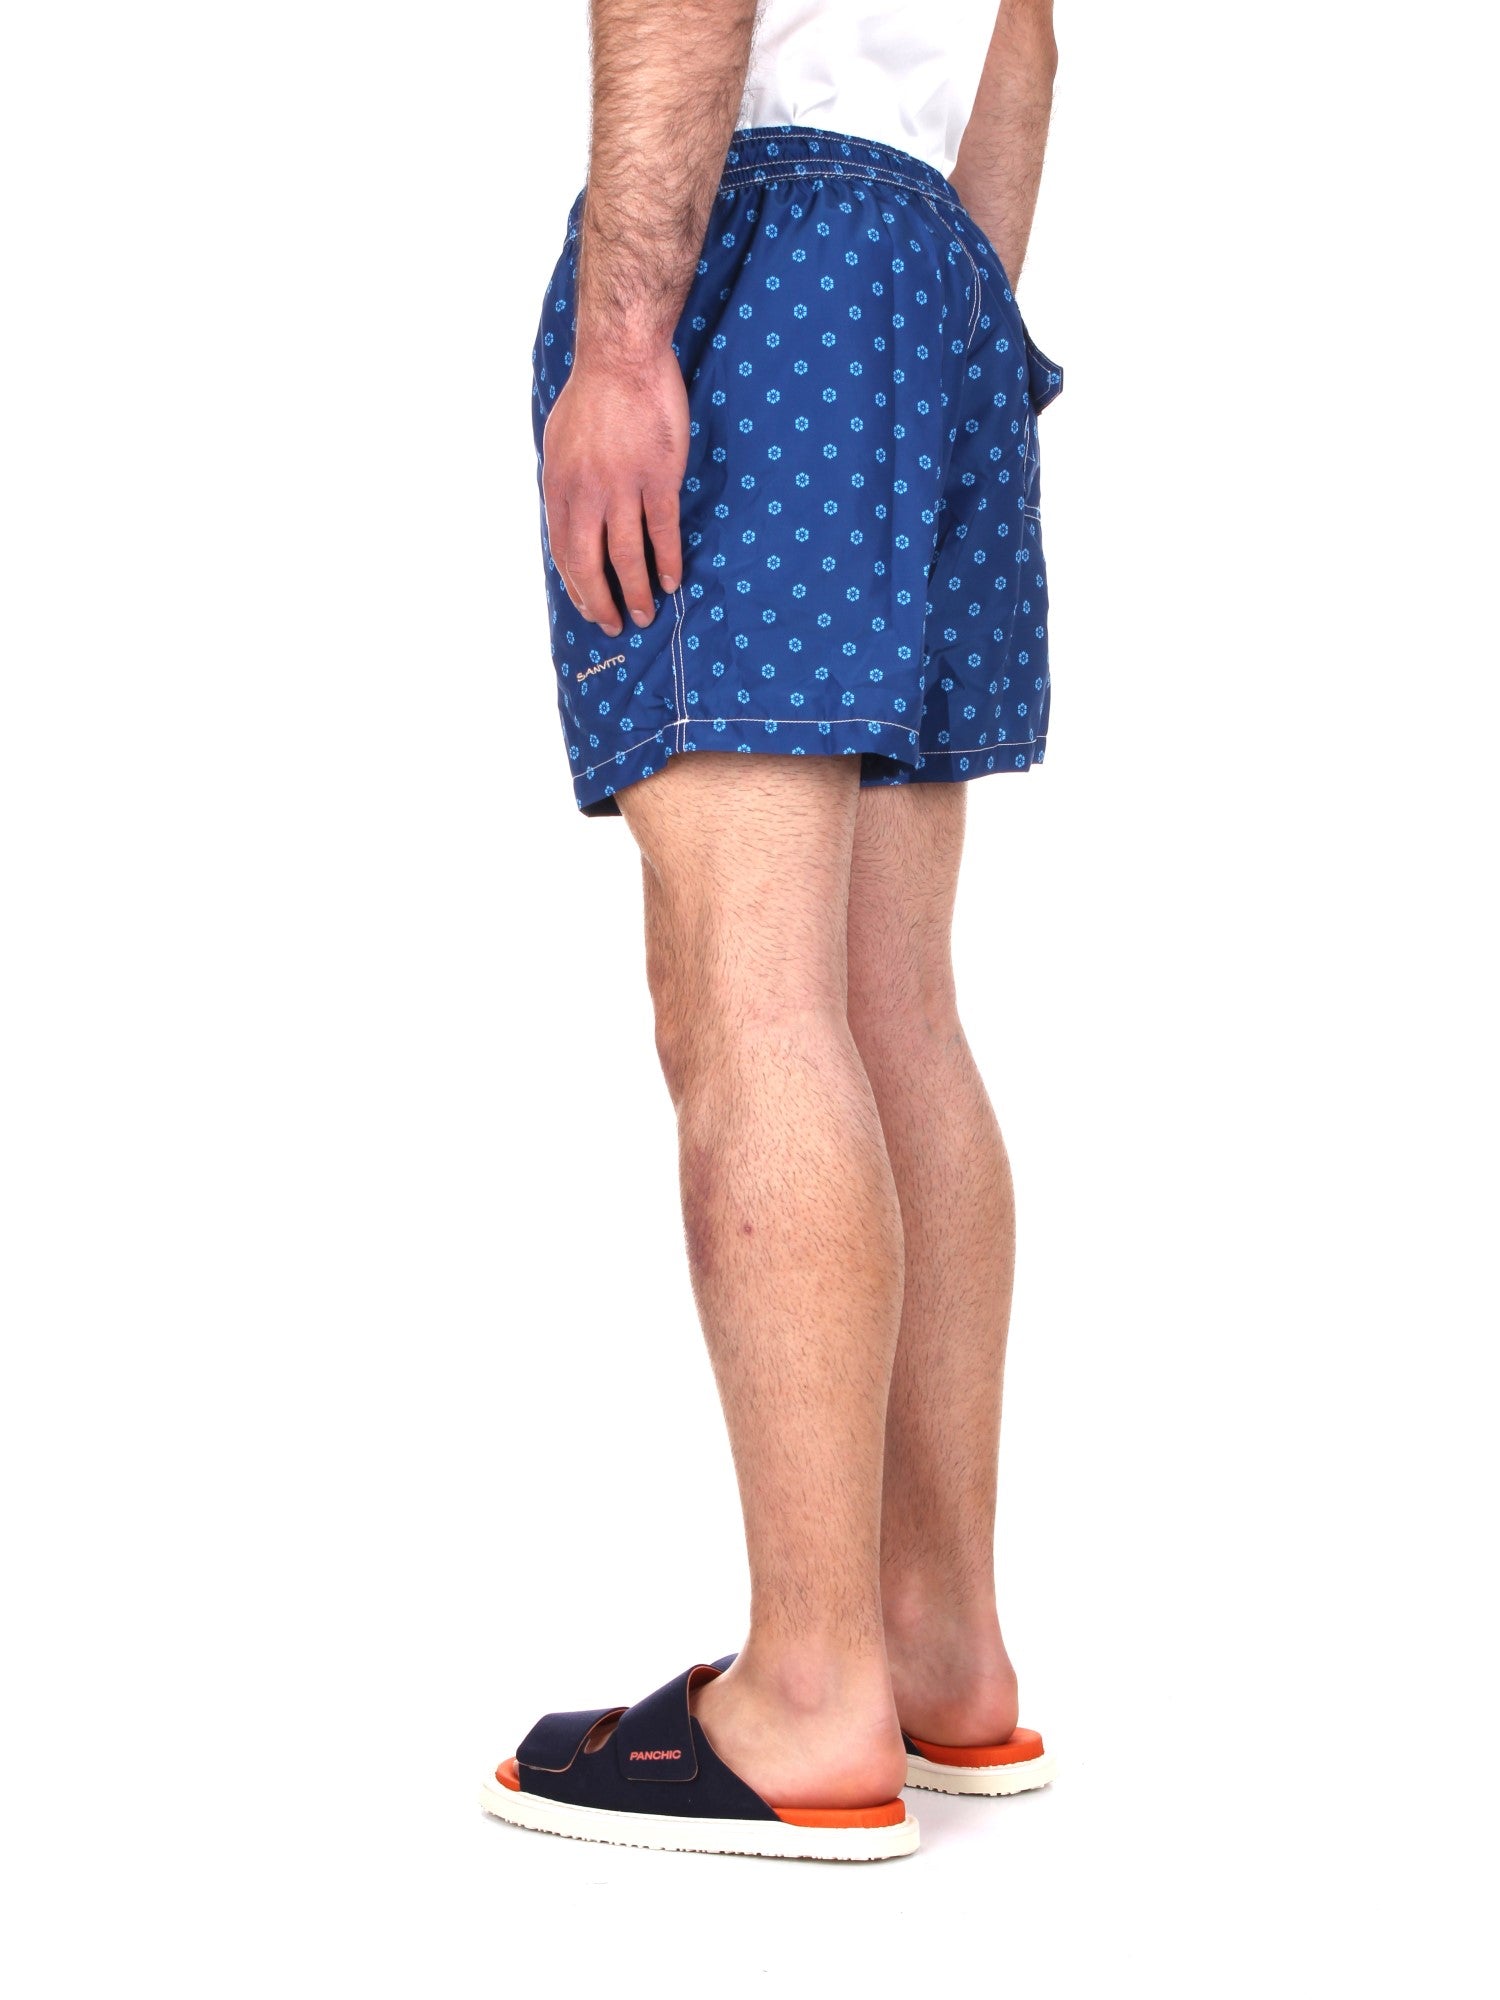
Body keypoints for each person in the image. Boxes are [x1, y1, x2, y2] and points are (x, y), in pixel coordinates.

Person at [483, 0, 1064, 1861]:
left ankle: (812, 1689)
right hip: (936, 273)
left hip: (768, 248)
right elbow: (1025, 43)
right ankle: (937, 1645)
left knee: (749, 1003)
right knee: (894, 1010)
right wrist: (946, 330)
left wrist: (624, 339)